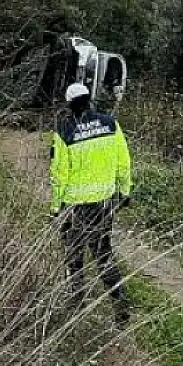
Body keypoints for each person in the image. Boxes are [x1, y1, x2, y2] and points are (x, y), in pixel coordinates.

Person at [50, 81, 134, 326]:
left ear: (69, 105)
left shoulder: (64, 130)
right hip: (104, 204)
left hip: (74, 206)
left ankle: (76, 304)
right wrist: (124, 191)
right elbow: (123, 161)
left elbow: (59, 174)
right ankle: (120, 305)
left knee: (74, 255)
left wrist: (56, 208)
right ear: (89, 100)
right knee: (103, 254)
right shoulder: (110, 124)